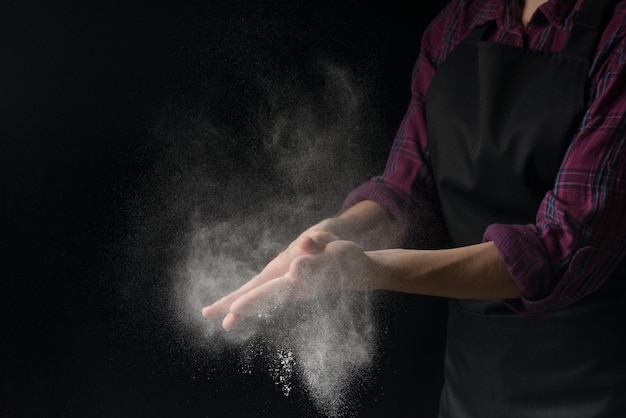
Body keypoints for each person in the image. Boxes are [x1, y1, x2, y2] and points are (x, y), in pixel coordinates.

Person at [203, 0, 626, 416]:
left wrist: (372, 270)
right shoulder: (460, 21)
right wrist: (332, 234)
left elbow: (563, 247)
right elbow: (410, 191)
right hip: (473, 382)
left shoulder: (617, 30)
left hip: (594, 379)